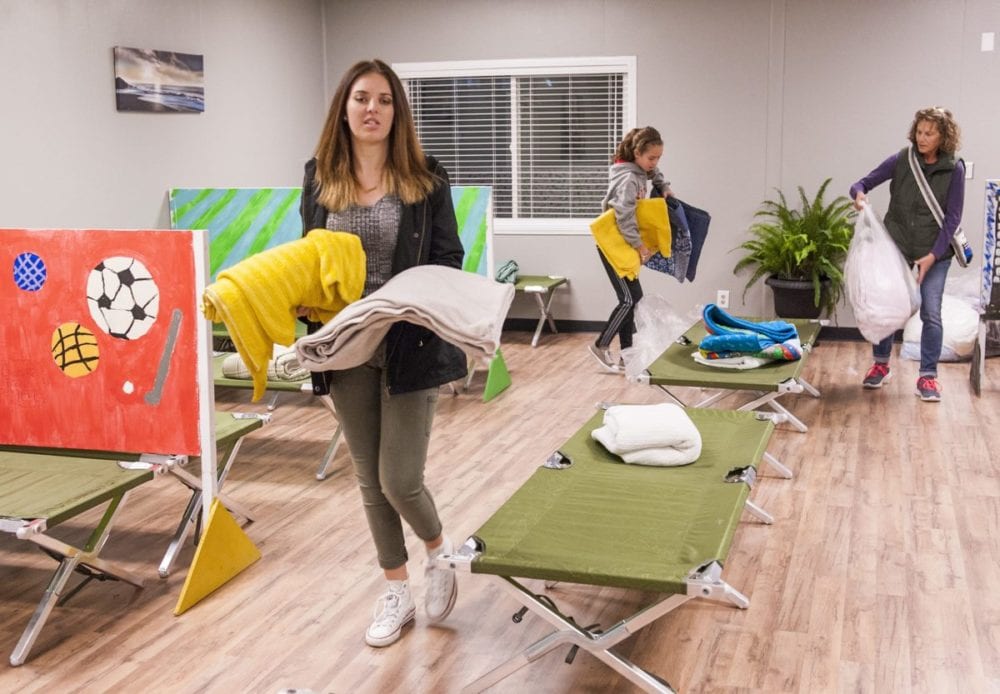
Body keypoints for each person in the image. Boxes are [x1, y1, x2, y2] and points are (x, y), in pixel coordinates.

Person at [300, 58, 466, 647]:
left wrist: (404, 300)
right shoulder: (320, 176)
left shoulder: (426, 176)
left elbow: (450, 258)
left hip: (409, 343)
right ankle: (396, 589)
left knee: (400, 479)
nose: (373, 109)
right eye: (362, 98)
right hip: (345, 346)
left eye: (385, 100)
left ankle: (439, 553)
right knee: (368, 480)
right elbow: (309, 260)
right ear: (343, 109)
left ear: (398, 111)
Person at [849, 106, 966, 402]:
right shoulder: (903, 160)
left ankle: (928, 377)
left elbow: (953, 218)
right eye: (919, 131)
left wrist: (932, 255)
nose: (922, 137)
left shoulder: (955, 169)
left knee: (931, 312)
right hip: (897, 244)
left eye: (930, 133)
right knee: (886, 305)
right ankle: (880, 364)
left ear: (944, 136)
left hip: (935, 251)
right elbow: (861, 183)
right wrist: (859, 196)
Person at [588, 126, 673, 372]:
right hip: (613, 243)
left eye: (658, 157)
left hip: (625, 242)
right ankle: (600, 345)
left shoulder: (640, 170)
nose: (654, 163)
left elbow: (655, 172)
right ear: (637, 153)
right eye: (651, 158)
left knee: (632, 300)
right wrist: (640, 246)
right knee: (629, 299)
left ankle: (628, 355)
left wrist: (663, 185)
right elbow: (624, 216)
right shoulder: (628, 178)